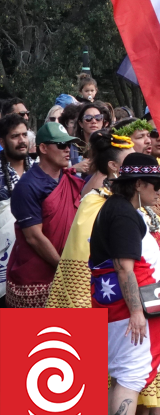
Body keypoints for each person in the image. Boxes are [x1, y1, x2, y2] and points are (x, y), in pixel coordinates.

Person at [88, 153, 160, 415]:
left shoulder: (119, 210)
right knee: (130, 376)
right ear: (138, 184)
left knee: (123, 376)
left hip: (117, 307)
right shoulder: (123, 215)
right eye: (154, 185)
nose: (158, 191)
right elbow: (124, 267)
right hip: (127, 310)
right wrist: (137, 312)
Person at [6, 121, 84, 307]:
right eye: (61, 145)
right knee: (38, 336)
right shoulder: (27, 186)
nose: (68, 150)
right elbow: (34, 237)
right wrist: (65, 270)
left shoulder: (69, 179)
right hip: (35, 281)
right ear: (43, 148)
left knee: (75, 335)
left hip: (70, 275)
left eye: (69, 145)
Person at [0, 113, 33, 202]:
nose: (22, 140)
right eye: (15, 136)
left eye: (25, 135)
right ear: (2, 142)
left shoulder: (38, 168)